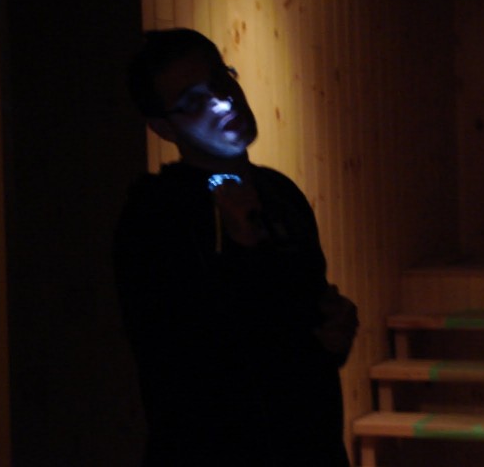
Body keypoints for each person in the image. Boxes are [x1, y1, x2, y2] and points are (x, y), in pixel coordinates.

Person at [113, 28, 358, 466]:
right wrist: (242, 251)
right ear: (163, 127)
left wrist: (334, 331)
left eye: (222, 80)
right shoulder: (154, 217)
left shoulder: (280, 193)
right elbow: (184, 363)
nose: (224, 102)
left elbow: (301, 328)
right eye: (193, 101)